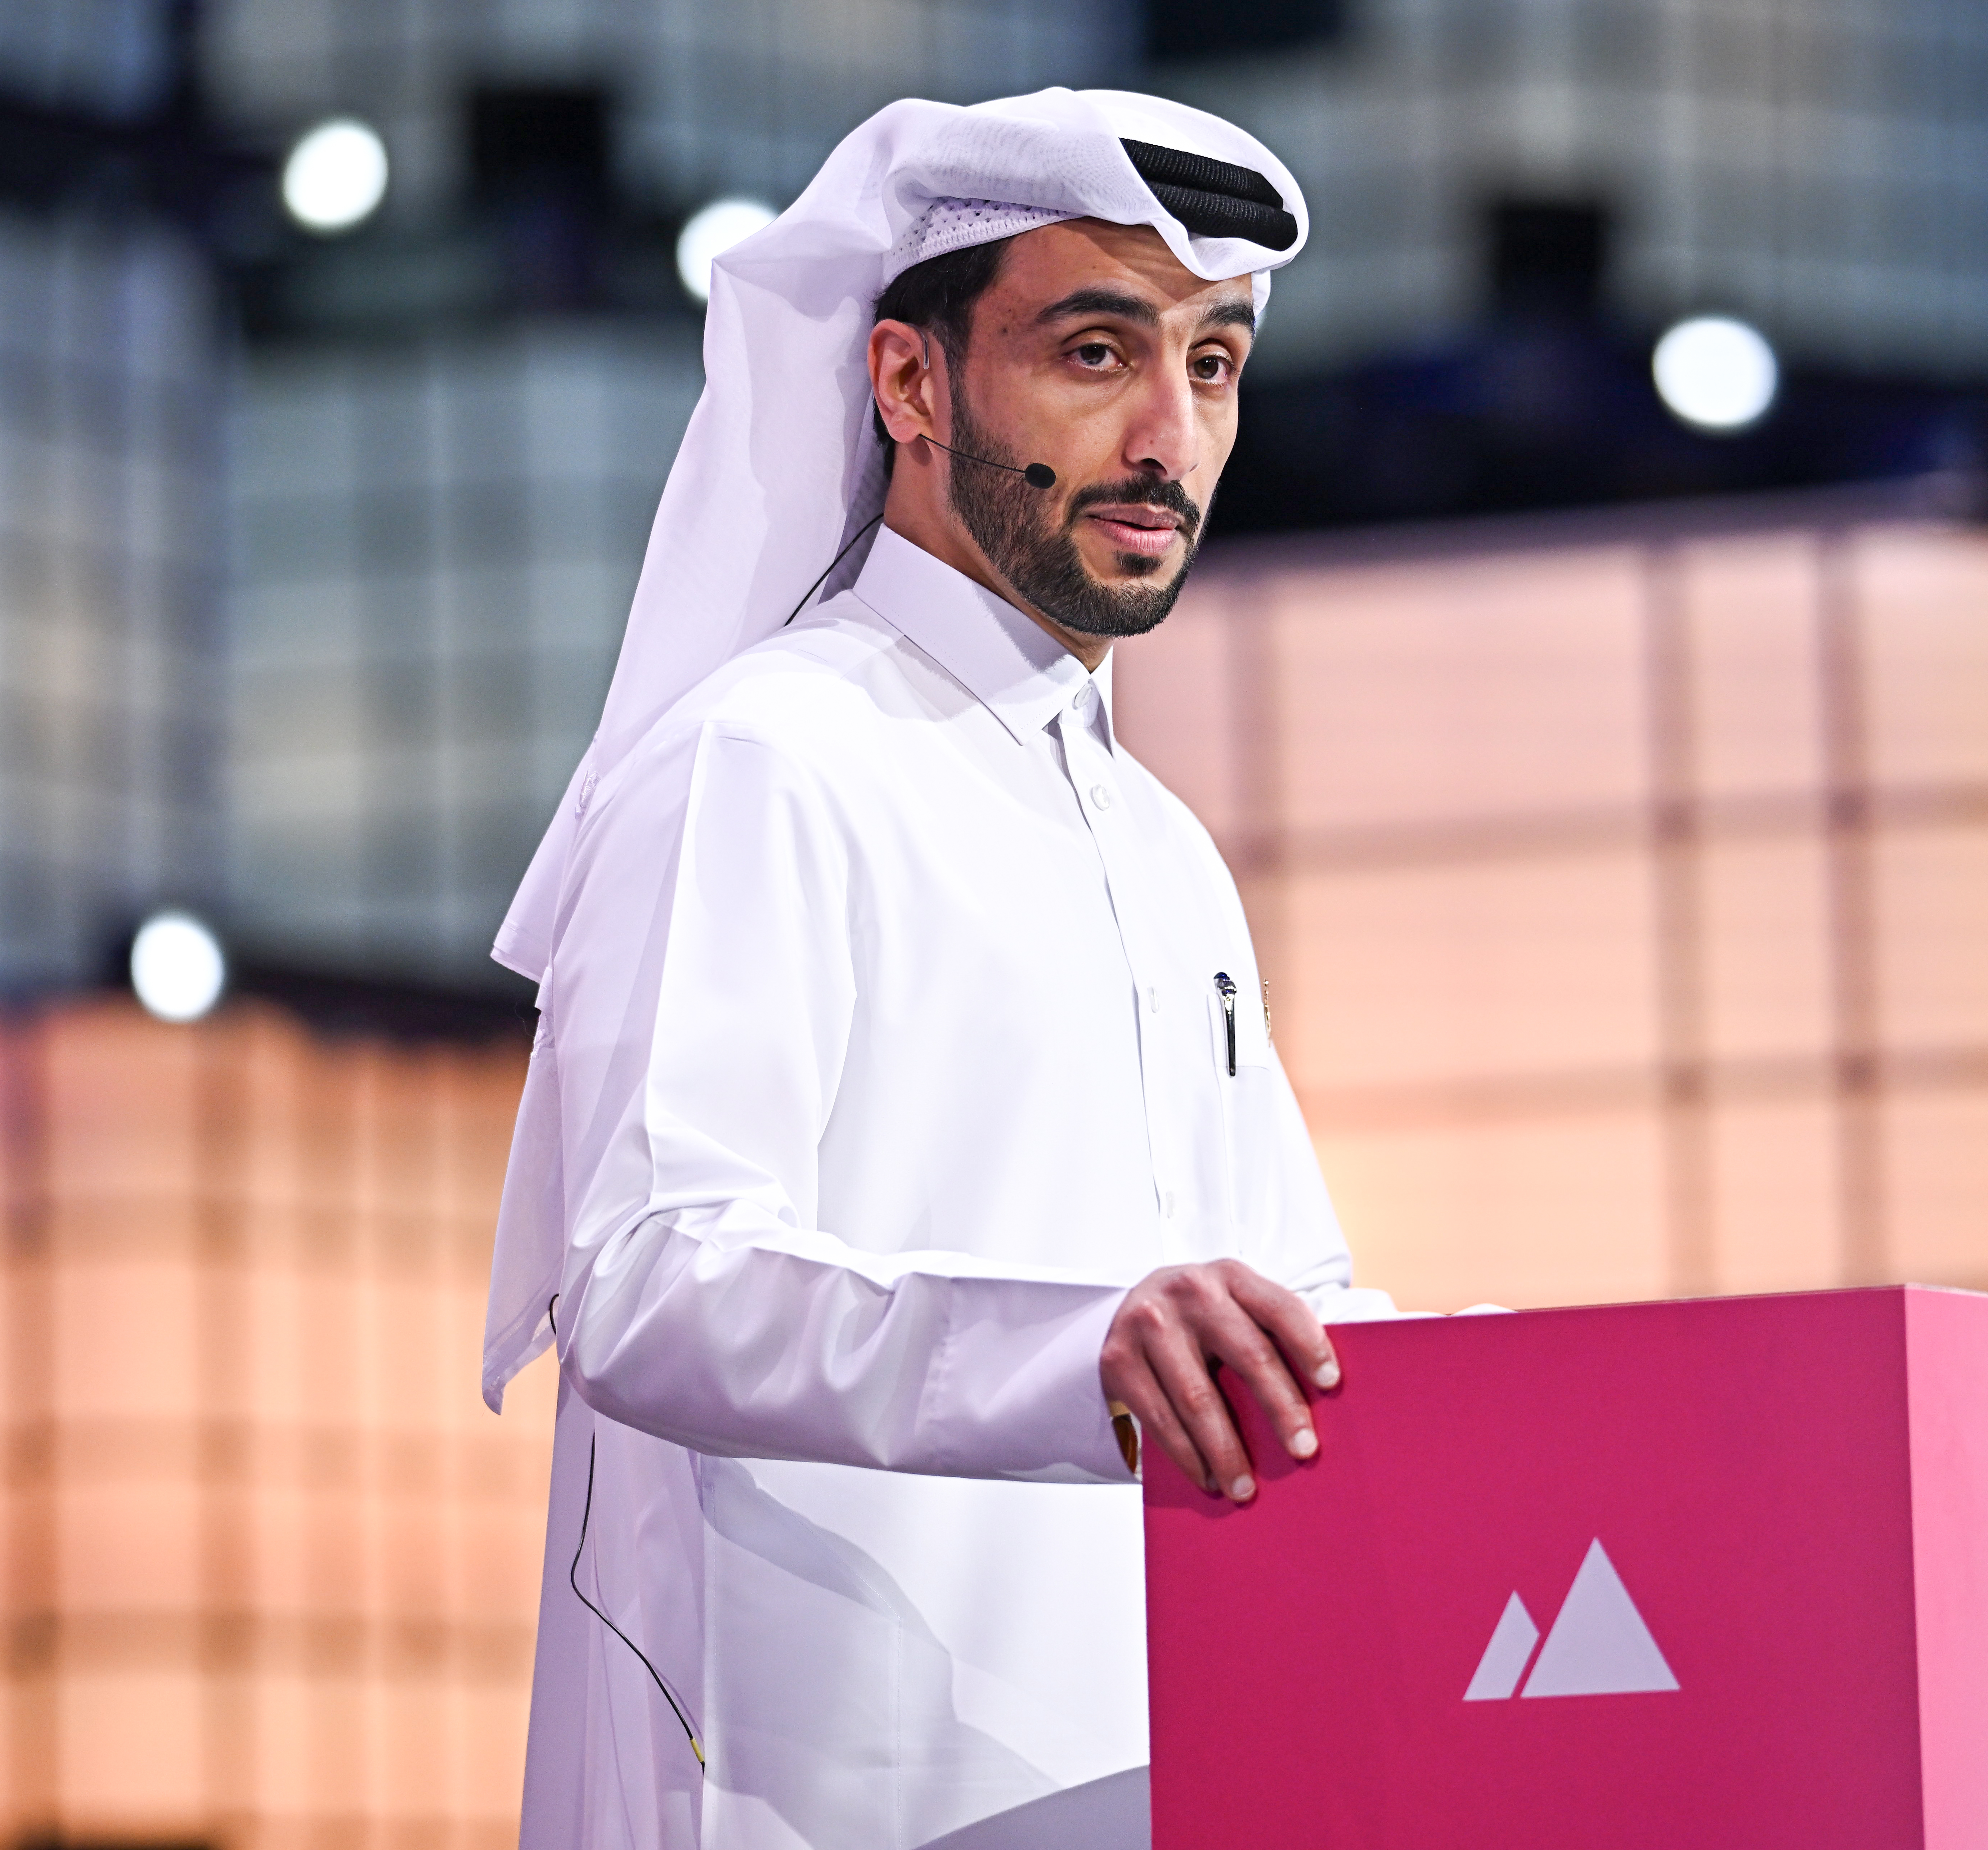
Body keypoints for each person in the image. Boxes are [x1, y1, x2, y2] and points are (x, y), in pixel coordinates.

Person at [476, 89, 1391, 1850]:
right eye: (1096, 350)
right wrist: (1085, 1360)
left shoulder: (1168, 855)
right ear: (908, 381)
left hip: (1161, 1779)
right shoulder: (764, 756)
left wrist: (1740, 1419)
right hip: (814, 1795)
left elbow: (1306, 1324)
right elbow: (653, 1280)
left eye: (1211, 366)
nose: (1164, 434)